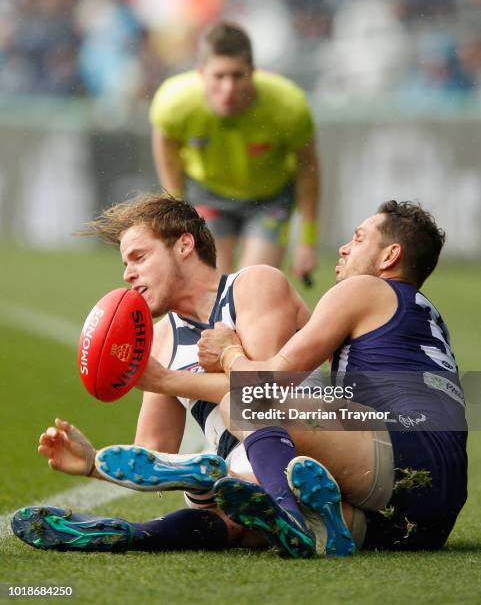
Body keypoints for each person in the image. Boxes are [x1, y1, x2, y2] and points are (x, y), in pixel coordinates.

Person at [13, 192, 340, 559]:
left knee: (235, 456)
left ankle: (207, 483)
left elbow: (264, 390)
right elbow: (153, 453)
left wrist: (167, 380)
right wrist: (93, 463)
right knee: (233, 520)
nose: (127, 274)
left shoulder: (253, 285)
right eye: (125, 263)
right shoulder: (160, 339)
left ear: (184, 244)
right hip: (241, 475)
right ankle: (136, 533)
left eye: (139, 257)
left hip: (313, 443)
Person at [196, 200, 468, 552]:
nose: (343, 247)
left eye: (358, 239)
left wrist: (228, 352)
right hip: (432, 516)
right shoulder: (424, 315)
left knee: (243, 404)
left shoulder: (363, 289)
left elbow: (269, 380)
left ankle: (273, 503)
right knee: (247, 520)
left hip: (404, 449)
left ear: (390, 256)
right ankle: (143, 531)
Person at [149, 20, 321, 280]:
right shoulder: (175, 103)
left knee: (252, 283)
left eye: (237, 76)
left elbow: (308, 171)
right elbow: (166, 147)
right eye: (219, 76)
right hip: (208, 194)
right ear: (201, 72)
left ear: (253, 71)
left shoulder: (289, 106)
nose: (228, 88)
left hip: (269, 199)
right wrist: (177, 214)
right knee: (215, 286)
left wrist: (306, 242)